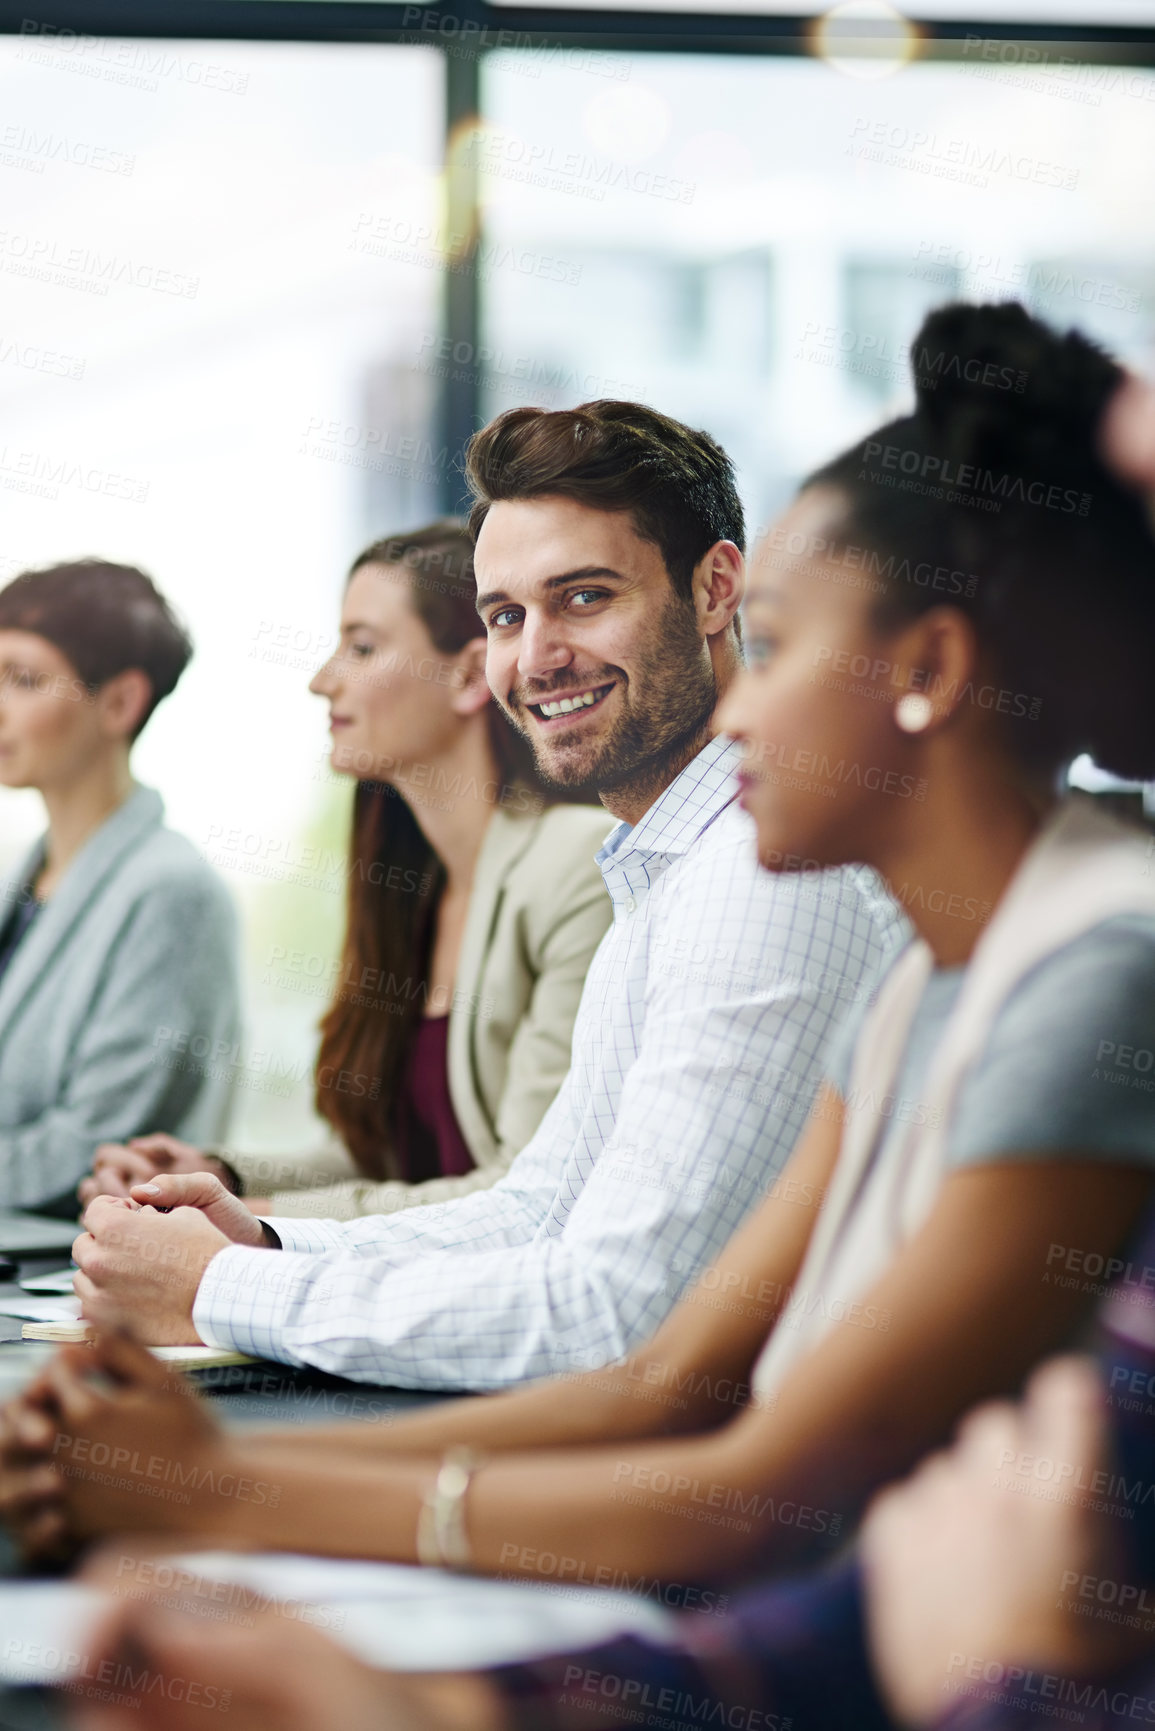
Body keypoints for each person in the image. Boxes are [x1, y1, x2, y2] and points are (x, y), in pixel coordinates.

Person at [7, 304, 1155, 1593]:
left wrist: (226, 1426)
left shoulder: (1058, 960)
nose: (747, 708)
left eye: (775, 647)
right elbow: (601, 1290)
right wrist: (243, 1328)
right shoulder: (889, 966)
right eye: (502, 614)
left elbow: (682, 1404)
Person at [58, 400, 904, 1386]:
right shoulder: (663, 867)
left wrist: (222, 1291)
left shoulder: (755, 878)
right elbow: (540, 1209)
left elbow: (612, 1313)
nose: (536, 657)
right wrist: (263, 1247)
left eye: (584, 598)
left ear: (717, 589)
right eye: (507, 615)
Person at [78, 524, 614, 1222]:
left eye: (361, 646)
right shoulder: (411, 888)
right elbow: (377, 1159)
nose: (321, 679)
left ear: (466, 674)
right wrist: (218, 1173)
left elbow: (519, 1192)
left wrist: (247, 1218)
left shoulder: (573, 865)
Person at [0, 560, 239, 1214]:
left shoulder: (172, 892)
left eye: (22, 679)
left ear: (120, 702)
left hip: (71, 1279)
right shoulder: (21, 879)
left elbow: (94, 1148)